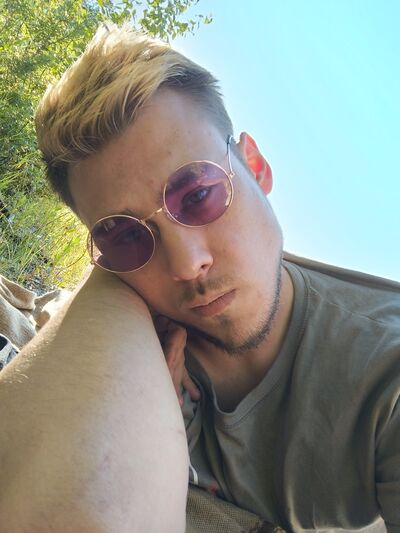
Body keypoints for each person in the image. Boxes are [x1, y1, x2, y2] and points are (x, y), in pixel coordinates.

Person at [0, 23, 399, 532]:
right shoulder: (127, 314)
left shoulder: (384, 374)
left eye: (198, 196)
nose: (187, 265)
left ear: (254, 167)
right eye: (126, 236)